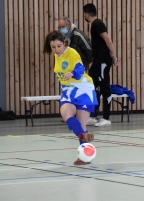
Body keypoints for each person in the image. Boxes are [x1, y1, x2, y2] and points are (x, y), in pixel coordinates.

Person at [43, 30, 98, 165]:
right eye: (53, 47)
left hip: (83, 90)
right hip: (68, 90)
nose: (56, 50)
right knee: (66, 113)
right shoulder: (57, 55)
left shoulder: (72, 52)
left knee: (81, 124)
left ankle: (84, 157)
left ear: (64, 43)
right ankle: (82, 135)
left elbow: (80, 68)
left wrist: (72, 73)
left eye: (59, 46)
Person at [83, 3, 119, 127]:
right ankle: (92, 115)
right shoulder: (95, 25)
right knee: (90, 85)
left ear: (86, 14)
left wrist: (114, 55)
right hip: (97, 62)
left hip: (103, 62)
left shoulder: (97, 24)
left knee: (104, 87)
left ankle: (106, 117)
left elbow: (107, 39)